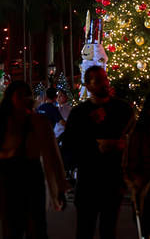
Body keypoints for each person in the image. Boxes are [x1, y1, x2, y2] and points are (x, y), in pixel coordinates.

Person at [63, 65, 136, 239]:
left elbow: (134, 138)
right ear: (88, 85)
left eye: (105, 79)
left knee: (108, 229)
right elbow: (69, 146)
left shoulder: (122, 110)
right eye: (98, 80)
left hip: (113, 178)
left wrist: (122, 145)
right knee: (84, 229)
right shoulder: (79, 113)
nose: (104, 83)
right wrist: (94, 147)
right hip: (88, 180)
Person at [0, 80, 66, 238]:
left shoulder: (39, 121)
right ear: (11, 98)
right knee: (11, 226)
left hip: (31, 175)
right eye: (19, 95)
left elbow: (52, 154)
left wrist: (60, 186)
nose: (23, 99)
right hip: (8, 176)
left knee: (36, 225)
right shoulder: (3, 121)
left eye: (26, 95)